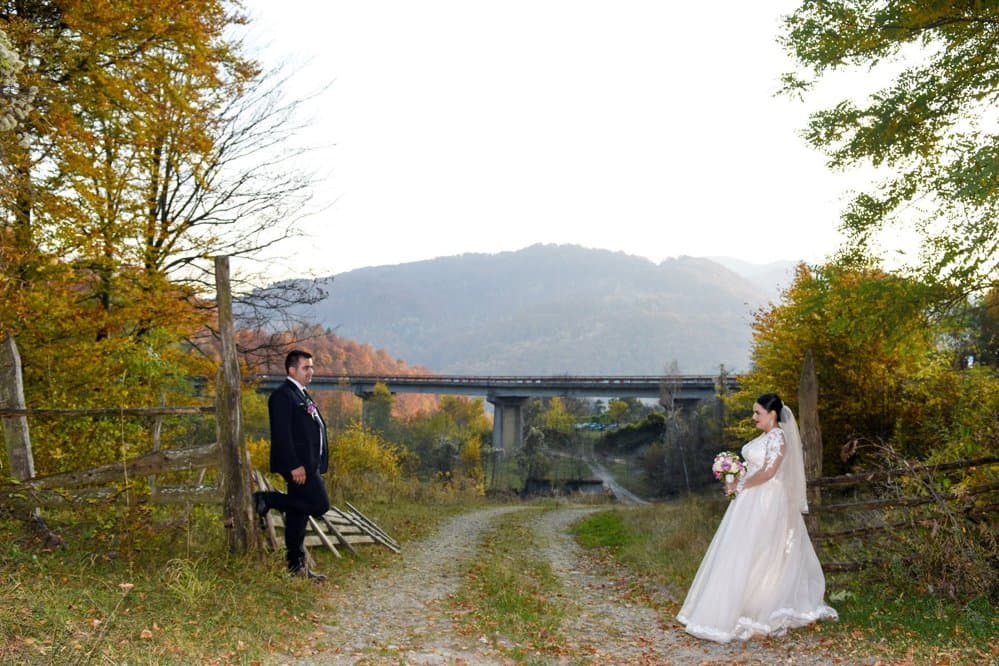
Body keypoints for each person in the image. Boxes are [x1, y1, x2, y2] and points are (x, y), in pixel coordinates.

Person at [677, 393, 837, 642]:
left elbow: (769, 471)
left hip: (766, 501)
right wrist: (733, 476)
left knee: (762, 552)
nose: (753, 417)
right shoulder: (764, 437)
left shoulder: (778, 438)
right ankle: (737, 605)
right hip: (750, 500)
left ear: (772, 414)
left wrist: (740, 484)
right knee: (741, 551)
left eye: (757, 413)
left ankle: (759, 609)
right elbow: (756, 468)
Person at [253, 350, 331, 581]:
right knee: (319, 505)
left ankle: (296, 567)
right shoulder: (282, 396)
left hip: (309, 465)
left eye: (312, 367)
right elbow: (282, 434)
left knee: (299, 514)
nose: (311, 371)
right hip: (298, 466)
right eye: (306, 367)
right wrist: (294, 465)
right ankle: (269, 499)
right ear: (291, 370)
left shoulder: (302, 394)